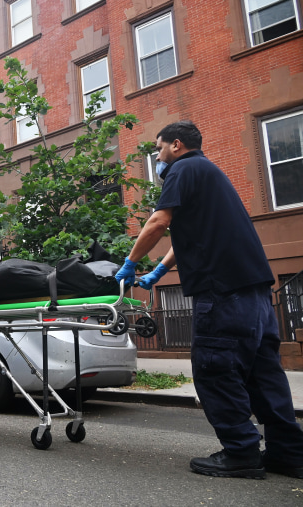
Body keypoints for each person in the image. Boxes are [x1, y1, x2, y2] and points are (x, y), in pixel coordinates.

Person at [115, 120, 303, 480]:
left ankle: (241, 452)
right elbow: (189, 233)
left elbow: (158, 221)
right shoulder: (208, 173)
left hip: (222, 291)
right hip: (253, 288)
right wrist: (158, 270)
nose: (157, 156)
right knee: (264, 374)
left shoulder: (183, 169)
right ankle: (289, 454)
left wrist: (131, 262)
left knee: (215, 368)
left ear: (176, 145)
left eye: (159, 148)